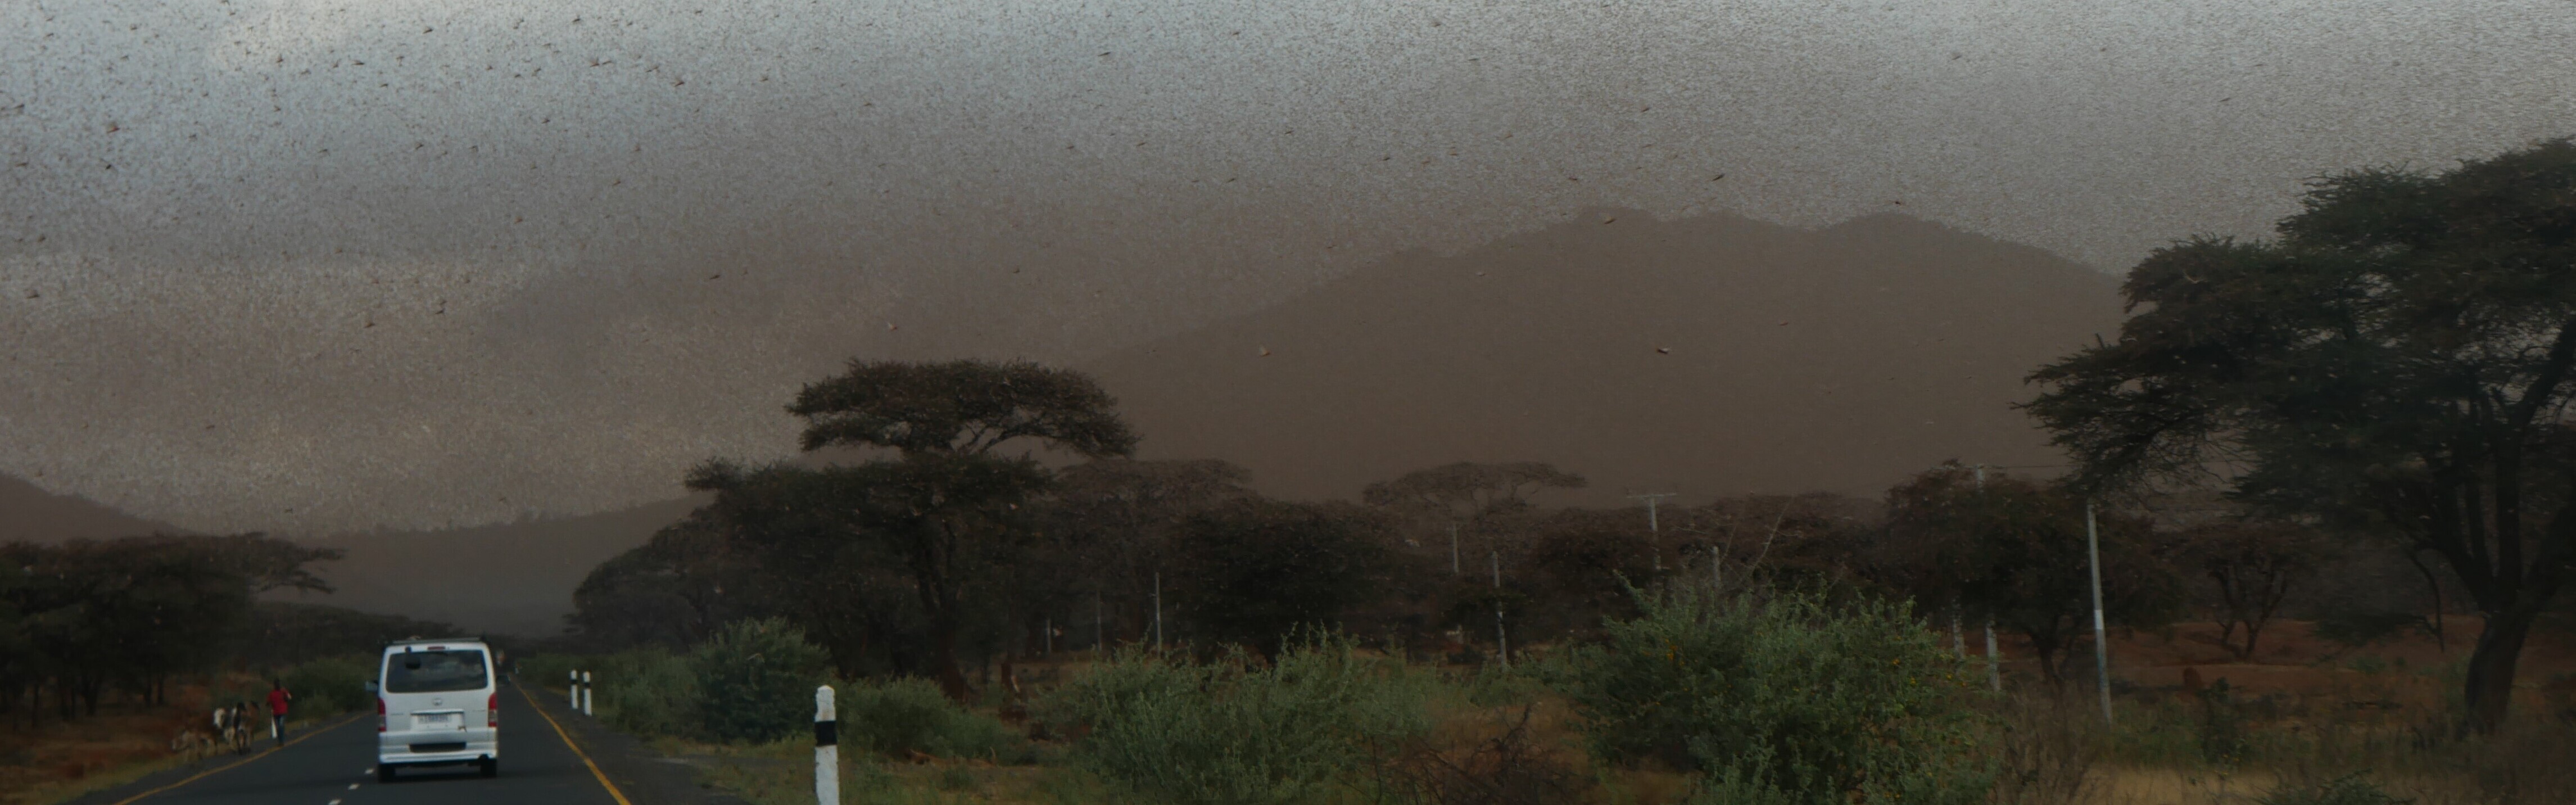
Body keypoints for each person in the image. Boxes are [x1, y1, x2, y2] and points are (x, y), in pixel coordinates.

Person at [265, 680, 293, 747]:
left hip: (283, 712)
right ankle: (280, 741)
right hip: (276, 713)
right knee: (278, 728)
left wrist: (286, 696)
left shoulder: (284, 691)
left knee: (281, 726)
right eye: (276, 684)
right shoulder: (272, 694)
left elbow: (289, 698)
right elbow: (268, 702)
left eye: (278, 684)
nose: (278, 686)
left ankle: (282, 741)